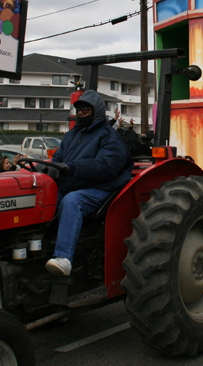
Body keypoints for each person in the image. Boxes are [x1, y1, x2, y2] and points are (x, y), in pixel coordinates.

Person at [45, 90, 133, 276]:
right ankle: (38, 248)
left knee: (72, 201)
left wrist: (72, 168)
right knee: (42, 197)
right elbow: (58, 158)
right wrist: (51, 168)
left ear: (97, 111)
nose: (81, 112)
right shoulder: (72, 135)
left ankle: (63, 258)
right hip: (72, 185)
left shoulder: (109, 136)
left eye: (86, 109)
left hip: (100, 188)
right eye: (79, 109)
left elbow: (105, 167)